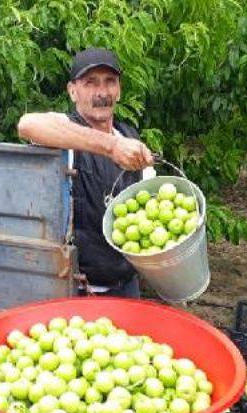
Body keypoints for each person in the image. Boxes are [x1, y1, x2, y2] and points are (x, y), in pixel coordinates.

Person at [17, 48, 154, 297]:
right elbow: (27, 125)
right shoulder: (67, 131)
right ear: (73, 91)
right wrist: (110, 147)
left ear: (119, 90)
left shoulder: (129, 137)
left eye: (109, 82)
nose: (101, 93)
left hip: (127, 286)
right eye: (90, 83)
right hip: (79, 292)